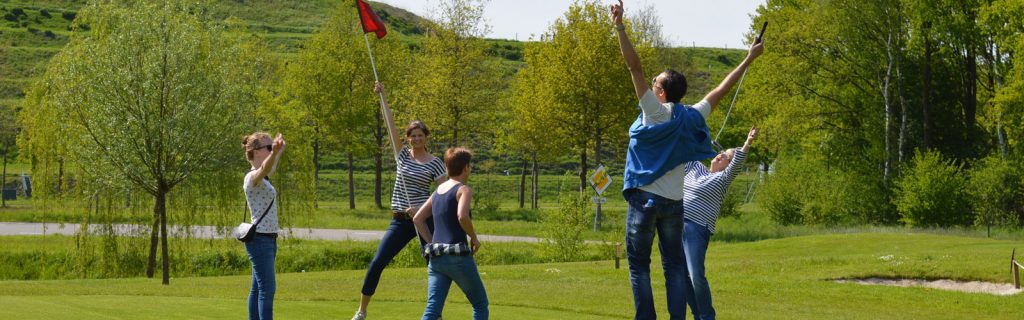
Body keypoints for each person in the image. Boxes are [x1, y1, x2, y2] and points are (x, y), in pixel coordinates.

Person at [611, 0, 763, 318]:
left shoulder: (653, 112)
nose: (650, 86)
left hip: (645, 200)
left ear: (662, 93)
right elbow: (721, 90)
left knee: (639, 266)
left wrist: (620, 26)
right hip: (674, 204)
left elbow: (633, 67)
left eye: (655, 85)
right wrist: (748, 58)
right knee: (674, 268)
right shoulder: (691, 115)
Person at [352, 82, 448, 320]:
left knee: (434, 266)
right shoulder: (402, 155)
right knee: (377, 262)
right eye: (412, 136)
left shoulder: (435, 162)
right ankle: (361, 311)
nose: (416, 139)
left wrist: (422, 209)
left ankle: (435, 314)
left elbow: (445, 194)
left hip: (423, 220)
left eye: (420, 135)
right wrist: (382, 96)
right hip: (400, 220)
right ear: (408, 139)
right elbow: (390, 125)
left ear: (426, 138)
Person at [681, 126, 758, 320]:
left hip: (697, 228)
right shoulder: (695, 168)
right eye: (721, 153)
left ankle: (707, 316)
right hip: (676, 226)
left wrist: (747, 143)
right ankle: (697, 315)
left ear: (728, 165)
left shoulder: (722, 179)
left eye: (726, 157)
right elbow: (685, 150)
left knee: (695, 275)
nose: (720, 156)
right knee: (682, 277)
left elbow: (738, 162)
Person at [413, 147, 488, 320]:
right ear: (466, 168)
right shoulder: (463, 190)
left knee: (433, 308)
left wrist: (432, 242)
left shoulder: (437, 191)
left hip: (436, 258)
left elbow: (417, 219)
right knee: (480, 304)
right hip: (458, 257)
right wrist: (474, 238)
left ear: (446, 168)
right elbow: (462, 216)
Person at [241, 132, 286, 320]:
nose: (270, 150)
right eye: (268, 147)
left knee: (258, 288)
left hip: (267, 239)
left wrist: (278, 151)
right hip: (260, 240)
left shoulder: (264, 177)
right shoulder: (252, 177)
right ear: (256, 152)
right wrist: (275, 153)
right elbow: (265, 169)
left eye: (271, 147)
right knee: (267, 290)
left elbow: (270, 168)